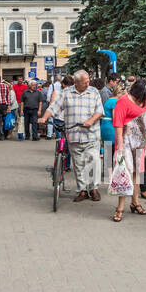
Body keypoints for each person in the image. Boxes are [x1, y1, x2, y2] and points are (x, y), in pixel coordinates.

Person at [37, 69, 104, 201]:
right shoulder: (66, 93)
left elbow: (99, 111)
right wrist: (44, 118)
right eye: (85, 82)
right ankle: (82, 190)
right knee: (78, 164)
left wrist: (91, 121)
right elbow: (53, 107)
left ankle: (93, 188)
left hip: (91, 134)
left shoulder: (94, 91)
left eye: (88, 81)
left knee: (94, 160)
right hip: (73, 134)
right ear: (76, 82)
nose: (88, 83)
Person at [111, 79, 146, 221]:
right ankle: (120, 207)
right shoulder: (123, 101)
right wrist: (120, 147)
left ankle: (135, 202)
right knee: (125, 174)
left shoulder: (144, 101)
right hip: (126, 143)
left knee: (136, 174)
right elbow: (118, 124)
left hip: (140, 143)